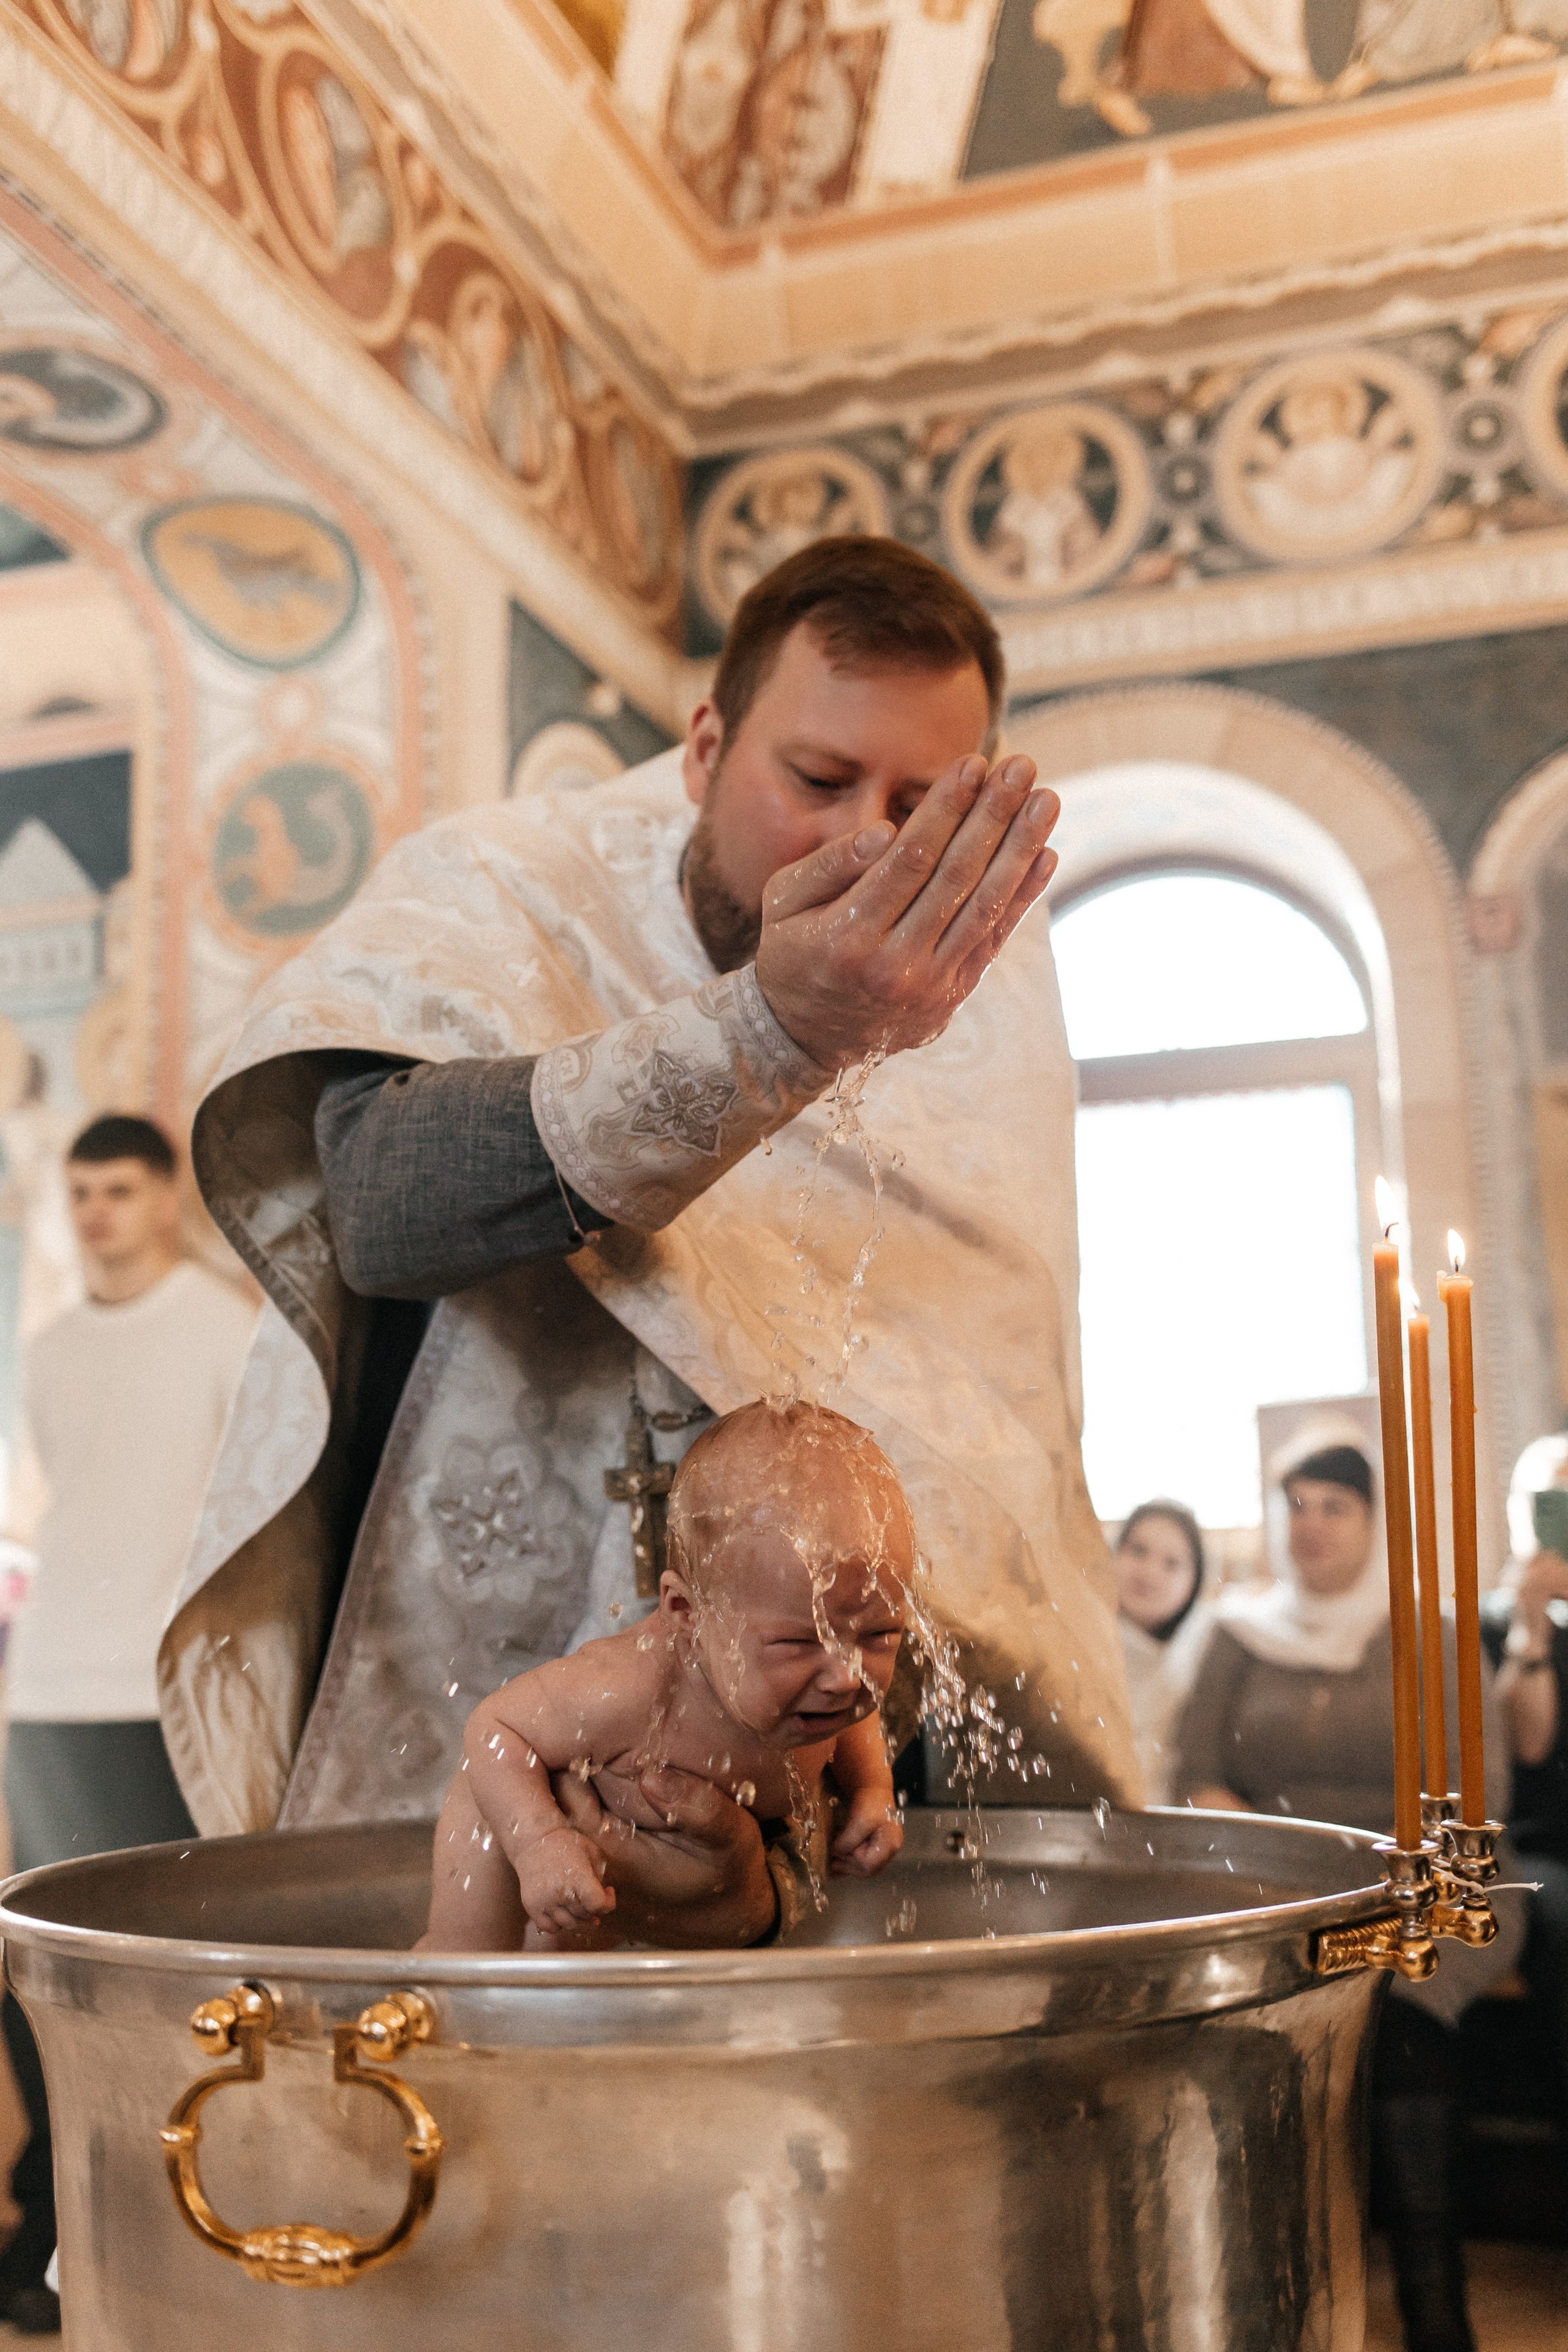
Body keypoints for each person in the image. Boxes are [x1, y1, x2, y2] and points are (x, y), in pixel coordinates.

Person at [164, 536, 1137, 1950]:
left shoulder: (980, 998)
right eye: (814, 780)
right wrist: (767, 1037)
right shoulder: (510, 890)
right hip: (481, 1679)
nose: (865, 841)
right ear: (702, 745)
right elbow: (376, 1205)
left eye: (918, 802)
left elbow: (993, 1420)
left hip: (832, 1736)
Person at [1172, 1429, 1519, 2352]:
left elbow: (1478, 1796)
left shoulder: (1432, 1633)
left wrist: (1390, 1885)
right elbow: (1196, 1774)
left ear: (1375, 1523)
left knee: (1399, 2012)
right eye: (1297, 1504)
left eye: (1335, 1505)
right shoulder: (1237, 1635)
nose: (1311, 1524)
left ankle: (1433, 2310)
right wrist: (1295, 1879)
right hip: (1275, 1888)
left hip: (1429, 1885)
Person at [0, 1114, 256, 2336]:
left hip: (166, 1697)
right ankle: (46, 2232)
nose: (98, 1211)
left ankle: (179, 2231)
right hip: (46, 1690)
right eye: (81, 1192)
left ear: (164, 1200)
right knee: (36, 1981)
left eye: (120, 1189)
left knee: (163, 1987)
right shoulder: (46, 1347)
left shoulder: (224, 1327)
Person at [421, 1400, 908, 1952]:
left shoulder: (821, 1685)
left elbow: (851, 1723)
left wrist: (872, 1789)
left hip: (664, 1874)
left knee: (582, 1978)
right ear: (686, 1613)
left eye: (878, 1636)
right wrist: (539, 1841)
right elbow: (494, 1729)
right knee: (478, 1952)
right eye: (799, 1641)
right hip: (528, 1823)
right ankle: (441, 1970)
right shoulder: (627, 1688)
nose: (846, 1677)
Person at [1481, 1433, 1568, 2105]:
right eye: (1544, 1499)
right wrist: (1530, 1629)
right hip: (1535, 1846)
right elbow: (1529, 1746)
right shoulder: (1488, 1625)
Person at [1114, 1499, 1207, 1806]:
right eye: (1139, 1551)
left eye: (1172, 1564)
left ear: (1194, 1582)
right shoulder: (1070, 1648)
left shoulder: (1203, 1660)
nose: (1150, 1572)